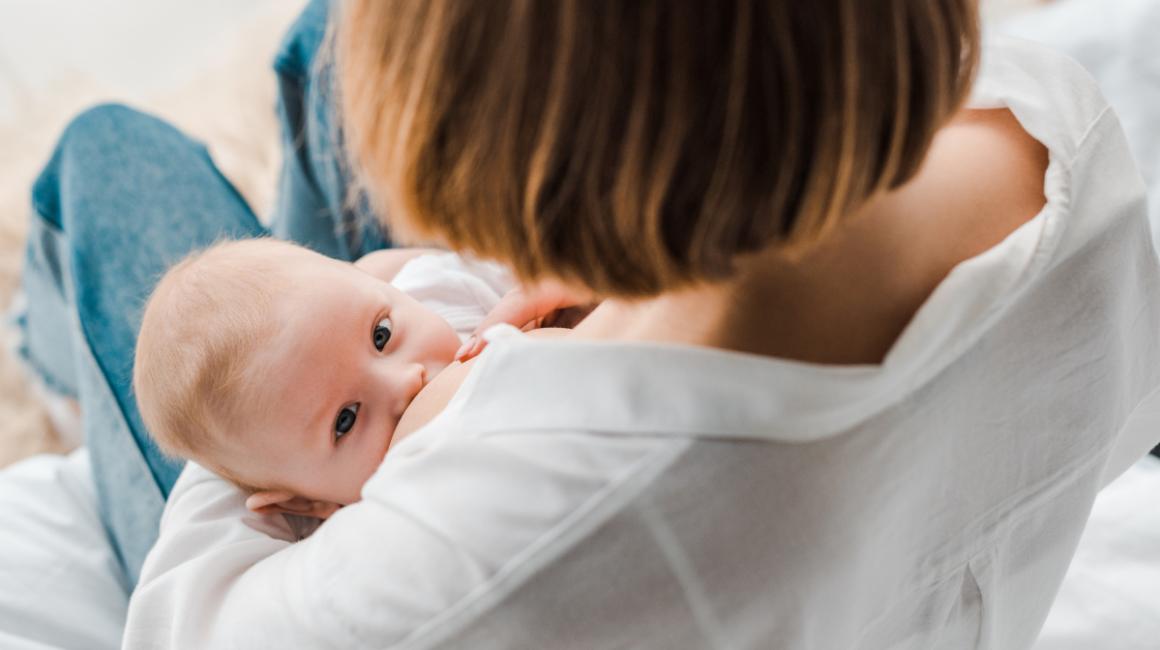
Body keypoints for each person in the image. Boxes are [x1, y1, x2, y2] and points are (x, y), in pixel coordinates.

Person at [14, 1, 1160, 648]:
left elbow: (192, 630)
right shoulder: (1055, 131)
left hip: (316, 465)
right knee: (319, 44)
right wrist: (390, 315)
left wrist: (328, 420)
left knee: (111, 157)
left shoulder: (482, 543)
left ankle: (59, 366)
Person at [132, 238, 514, 521]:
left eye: (381, 335)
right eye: (345, 420)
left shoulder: (446, 292)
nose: (404, 384)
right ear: (305, 503)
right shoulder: (384, 528)